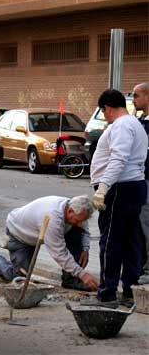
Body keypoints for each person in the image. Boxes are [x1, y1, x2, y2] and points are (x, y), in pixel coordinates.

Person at [85, 89, 148, 308]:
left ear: (107, 108)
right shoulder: (135, 124)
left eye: (104, 112)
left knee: (111, 241)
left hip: (120, 189)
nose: (105, 117)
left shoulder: (121, 125)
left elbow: (118, 159)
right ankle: (130, 290)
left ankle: (107, 293)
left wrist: (102, 189)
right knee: (131, 241)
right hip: (133, 187)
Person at [0, 195, 99, 291]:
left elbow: (84, 227)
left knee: (76, 231)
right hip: (20, 235)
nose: (79, 223)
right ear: (70, 211)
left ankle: (70, 280)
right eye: (77, 220)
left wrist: (85, 248)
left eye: (82, 220)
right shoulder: (53, 218)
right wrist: (83, 274)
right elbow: (59, 253)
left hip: (38, 230)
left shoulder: (76, 209)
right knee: (19, 279)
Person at [132, 82, 149, 285]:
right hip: (137, 180)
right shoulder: (139, 121)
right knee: (137, 225)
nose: (134, 100)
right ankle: (139, 265)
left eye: (136, 96)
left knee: (146, 223)